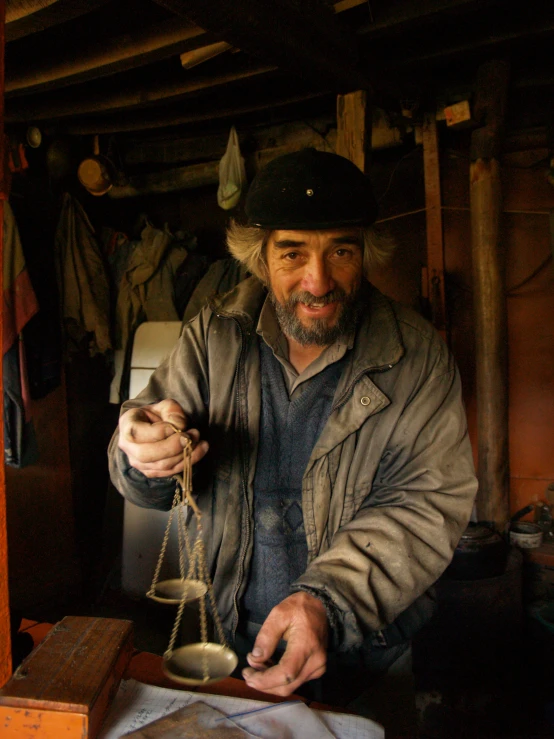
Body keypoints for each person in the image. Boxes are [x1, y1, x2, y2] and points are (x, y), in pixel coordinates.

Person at [108, 148, 477, 703]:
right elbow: (140, 447)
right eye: (292, 253)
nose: (318, 280)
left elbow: (428, 502)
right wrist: (142, 453)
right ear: (260, 257)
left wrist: (328, 601)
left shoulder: (414, 356)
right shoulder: (215, 336)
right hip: (229, 641)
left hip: (369, 652)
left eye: (341, 252)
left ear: (365, 255)